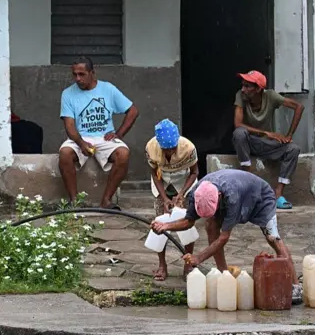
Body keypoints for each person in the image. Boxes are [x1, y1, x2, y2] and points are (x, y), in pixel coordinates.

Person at [150, 169, 302, 303]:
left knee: (272, 237)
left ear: (219, 197)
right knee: (211, 226)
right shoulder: (197, 193)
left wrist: (199, 258)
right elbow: (188, 221)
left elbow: (224, 238)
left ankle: (296, 286)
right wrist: (166, 226)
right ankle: (224, 275)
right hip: (230, 196)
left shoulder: (231, 196)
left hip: (260, 196)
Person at [58, 56, 139, 209]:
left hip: (104, 137)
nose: (77, 78)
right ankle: (74, 201)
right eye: (75, 74)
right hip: (80, 137)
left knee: (123, 154)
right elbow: (69, 126)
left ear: (92, 73)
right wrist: (81, 143)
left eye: (82, 74)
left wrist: (119, 134)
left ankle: (106, 201)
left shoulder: (108, 89)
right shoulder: (68, 94)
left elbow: (133, 111)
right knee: (65, 154)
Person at [233, 70, 305, 209]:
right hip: (247, 143)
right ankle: (248, 185)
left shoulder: (270, 96)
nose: (243, 89)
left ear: (258, 89)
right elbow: (238, 124)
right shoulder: (240, 96)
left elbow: (299, 107)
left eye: (247, 86)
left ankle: (278, 194)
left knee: (293, 149)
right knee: (239, 133)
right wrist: (266, 133)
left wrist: (289, 135)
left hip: (265, 145)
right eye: (243, 85)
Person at [145, 118, 199, 281]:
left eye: (172, 148)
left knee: (187, 222)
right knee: (160, 223)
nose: (168, 153)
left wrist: (182, 194)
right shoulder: (151, 147)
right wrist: (164, 198)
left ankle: (188, 263)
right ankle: (162, 265)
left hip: (184, 180)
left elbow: (194, 172)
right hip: (162, 181)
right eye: (165, 149)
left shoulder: (188, 148)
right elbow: (155, 174)